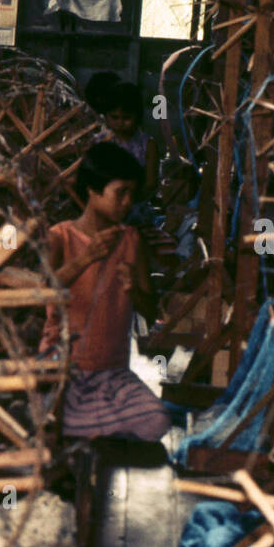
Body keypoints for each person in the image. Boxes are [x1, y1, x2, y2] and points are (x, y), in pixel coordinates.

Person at [40, 142, 170, 444]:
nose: (127, 203)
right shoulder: (60, 236)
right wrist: (85, 259)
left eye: (131, 194)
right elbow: (39, 294)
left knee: (156, 422)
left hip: (112, 374)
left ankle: (80, 429)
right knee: (51, 416)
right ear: (92, 190)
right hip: (63, 370)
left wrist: (134, 290)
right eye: (120, 193)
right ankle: (79, 428)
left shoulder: (131, 240)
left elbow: (151, 312)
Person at [95, 80, 159, 219]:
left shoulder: (147, 144)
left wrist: (128, 200)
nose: (120, 123)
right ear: (106, 115)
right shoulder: (99, 141)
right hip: (103, 204)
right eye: (114, 117)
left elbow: (151, 183)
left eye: (126, 118)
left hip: (136, 206)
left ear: (137, 116)